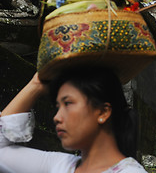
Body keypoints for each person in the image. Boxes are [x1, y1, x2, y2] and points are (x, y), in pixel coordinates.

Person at [0, 66, 147, 173]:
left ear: (103, 112)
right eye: (58, 106)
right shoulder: (60, 166)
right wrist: (36, 85)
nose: (57, 117)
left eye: (68, 103)